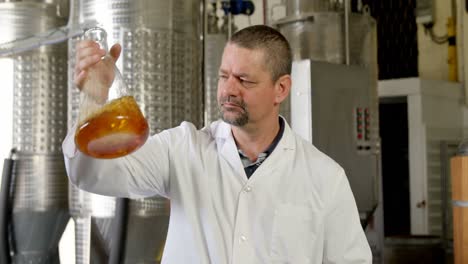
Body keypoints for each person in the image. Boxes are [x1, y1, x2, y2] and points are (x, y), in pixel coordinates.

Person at [63, 25, 372, 263]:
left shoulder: (325, 177)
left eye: (244, 80)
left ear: (281, 88)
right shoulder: (183, 149)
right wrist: (94, 95)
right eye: (224, 76)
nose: (228, 90)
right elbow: (92, 173)